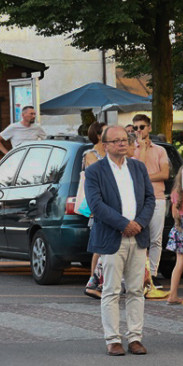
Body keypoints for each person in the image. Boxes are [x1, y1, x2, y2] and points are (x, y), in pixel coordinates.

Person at [84, 126, 156, 356]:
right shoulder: (95, 171)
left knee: (136, 289)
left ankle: (135, 337)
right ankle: (113, 339)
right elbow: (96, 205)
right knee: (112, 290)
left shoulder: (138, 167)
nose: (122, 144)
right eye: (116, 141)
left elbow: (149, 199)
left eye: (125, 140)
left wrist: (139, 223)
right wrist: (123, 224)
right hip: (112, 236)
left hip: (138, 235)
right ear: (105, 145)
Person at [130, 114, 170, 291]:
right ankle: (139, 274)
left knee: (156, 239)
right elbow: (137, 172)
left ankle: (153, 274)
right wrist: (143, 149)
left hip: (158, 198)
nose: (139, 131)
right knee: (139, 238)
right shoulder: (132, 150)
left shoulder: (160, 150)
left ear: (149, 128)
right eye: (136, 127)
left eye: (142, 127)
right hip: (138, 200)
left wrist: (146, 179)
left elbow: (164, 174)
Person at [82, 121, 109, 299]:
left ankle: (103, 282)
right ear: (99, 135)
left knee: (106, 244)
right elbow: (97, 175)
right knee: (98, 245)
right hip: (98, 204)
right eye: (107, 132)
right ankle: (93, 283)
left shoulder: (112, 153)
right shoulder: (90, 154)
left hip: (112, 203)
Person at [164, 165, 183, 305]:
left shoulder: (176, 192)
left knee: (179, 263)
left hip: (180, 226)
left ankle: (172, 294)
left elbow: (175, 214)